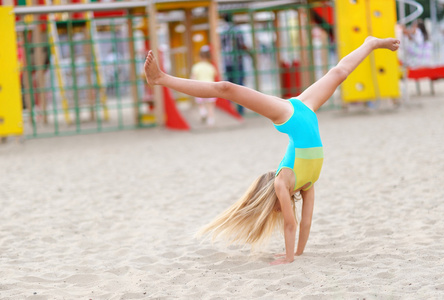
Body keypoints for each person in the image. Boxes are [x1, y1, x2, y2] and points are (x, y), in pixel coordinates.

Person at [144, 36, 400, 265]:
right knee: (339, 72)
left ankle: (161, 79)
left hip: (289, 116)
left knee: (226, 89)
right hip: (305, 110)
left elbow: (292, 223)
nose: (284, 208)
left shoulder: (282, 182)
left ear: (273, 202)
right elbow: (305, 223)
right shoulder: (307, 183)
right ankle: (371, 43)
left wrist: (289, 257)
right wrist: (297, 254)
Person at [221, 13, 248, 115]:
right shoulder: (238, 31)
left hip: (227, 62)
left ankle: (229, 109)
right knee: (240, 85)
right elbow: (242, 45)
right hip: (237, 61)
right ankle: (240, 109)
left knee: (228, 87)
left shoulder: (222, 32)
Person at [191, 45, 218, 126]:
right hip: (211, 87)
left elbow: (193, 78)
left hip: (200, 87)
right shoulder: (211, 67)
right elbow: (214, 75)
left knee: (201, 103)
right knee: (210, 105)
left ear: (200, 56)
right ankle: (211, 120)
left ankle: (202, 111)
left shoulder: (196, 67)